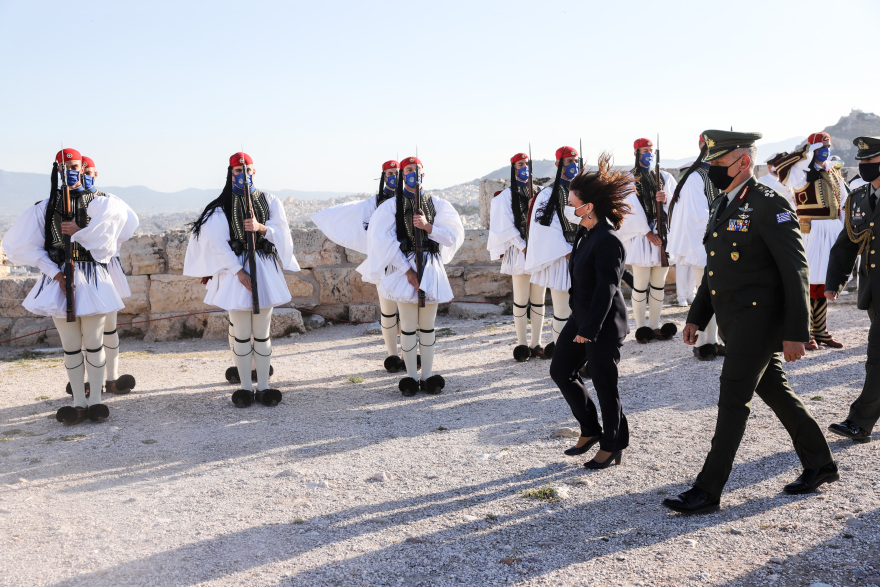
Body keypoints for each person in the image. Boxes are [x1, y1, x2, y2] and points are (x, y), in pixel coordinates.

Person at [662, 130, 838, 514]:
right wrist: (697, 317)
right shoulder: (723, 202)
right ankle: (821, 464)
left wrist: (797, 333)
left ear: (743, 162)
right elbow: (716, 269)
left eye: (718, 163)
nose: (712, 169)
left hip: (758, 323)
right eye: (710, 163)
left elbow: (795, 271)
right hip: (734, 321)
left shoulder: (768, 204)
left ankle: (707, 490)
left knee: (732, 402)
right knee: (778, 394)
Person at [3, 148, 131, 424]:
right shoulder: (44, 208)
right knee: (71, 346)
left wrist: (79, 233)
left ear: (83, 168)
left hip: (93, 279)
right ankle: (78, 403)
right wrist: (57, 275)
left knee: (94, 343)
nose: (71, 171)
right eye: (66, 167)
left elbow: (108, 242)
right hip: (59, 280)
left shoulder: (102, 203)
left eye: (75, 166)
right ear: (57, 169)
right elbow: (27, 247)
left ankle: (96, 401)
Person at [184, 152, 300, 407]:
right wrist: (238, 271)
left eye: (247, 170)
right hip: (234, 272)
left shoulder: (269, 200)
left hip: (264, 270)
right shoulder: (221, 207)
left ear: (254, 172)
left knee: (262, 333)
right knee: (242, 334)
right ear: (231, 173)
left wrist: (261, 228)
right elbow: (217, 244)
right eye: (238, 171)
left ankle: (264, 386)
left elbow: (282, 232)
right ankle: (246, 387)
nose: (243, 175)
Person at [549, 153, 631, 468]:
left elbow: (606, 289)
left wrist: (589, 329)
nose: (569, 206)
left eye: (573, 202)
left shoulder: (608, 240)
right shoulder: (586, 233)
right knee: (560, 370)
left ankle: (613, 444)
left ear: (589, 206)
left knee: (604, 383)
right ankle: (590, 428)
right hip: (581, 317)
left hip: (602, 324)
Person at [356, 156, 464, 396]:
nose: (414, 173)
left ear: (424, 173)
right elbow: (383, 242)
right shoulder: (389, 207)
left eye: (417, 169)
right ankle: (411, 377)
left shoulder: (438, 204)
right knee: (406, 325)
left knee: (427, 326)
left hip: (430, 267)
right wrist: (407, 271)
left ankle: (427, 376)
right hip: (402, 268)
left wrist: (428, 227)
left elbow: (451, 237)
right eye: (409, 169)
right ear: (403, 174)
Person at [312, 160, 407, 372]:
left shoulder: (410, 199)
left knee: (407, 311)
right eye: (389, 174)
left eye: (396, 173)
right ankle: (392, 355)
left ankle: (408, 354)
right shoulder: (373, 204)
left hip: (407, 260)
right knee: (388, 310)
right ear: (383, 176)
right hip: (384, 261)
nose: (393, 177)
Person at [824, 136, 880, 443]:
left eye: (871, 161)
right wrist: (834, 282)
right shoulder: (858, 197)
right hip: (873, 291)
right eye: (862, 161)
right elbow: (846, 244)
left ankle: (860, 422)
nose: (865, 166)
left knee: (877, 357)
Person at [775, 132, 846, 349]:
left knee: (825, 282)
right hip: (812, 231)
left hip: (832, 229)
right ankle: (804, 332)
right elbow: (782, 168)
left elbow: (843, 201)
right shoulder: (801, 173)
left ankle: (820, 330)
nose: (826, 151)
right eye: (821, 148)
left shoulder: (832, 172)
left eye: (828, 147)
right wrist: (806, 151)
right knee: (809, 282)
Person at [79, 156, 139, 396]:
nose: (85, 177)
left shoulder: (109, 201)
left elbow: (128, 226)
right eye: (82, 172)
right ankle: (90, 381)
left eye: (88, 173)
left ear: (96, 174)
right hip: (80, 268)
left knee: (109, 328)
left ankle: (112, 378)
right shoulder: (68, 203)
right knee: (87, 332)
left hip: (105, 266)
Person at [666, 137, 724, 360]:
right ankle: (701, 343)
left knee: (716, 294)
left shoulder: (720, 173)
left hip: (719, 242)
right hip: (703, 244)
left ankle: (713, 340)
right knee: (706, 294)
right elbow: (698, 216)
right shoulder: (695, 177)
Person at [618, 138, 678, 343]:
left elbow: (678, 204)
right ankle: (641, 327)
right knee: (640, 284)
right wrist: (646, 232)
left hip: (661, 233)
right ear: (636, 153)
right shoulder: (628, 179)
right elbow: (627, 209)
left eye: (651, 151)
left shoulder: (665, 177)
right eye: (645, 151)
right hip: (641, 236)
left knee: (659, 284)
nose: (649, 154)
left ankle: (654, 325)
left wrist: (666, 199)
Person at [523, 146, 580, 358]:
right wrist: (567, 251)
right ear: (558, 165)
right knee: (563, 310)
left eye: (575, 161)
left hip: (583, 254)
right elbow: (546, 227)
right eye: (569, 162)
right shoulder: (547, 195)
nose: (573, 165)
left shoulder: (584, 191)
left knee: (581, 310)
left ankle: (579, 354)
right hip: (562, 257)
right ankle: (563, 355)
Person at [487, 152, 541, 361]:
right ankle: (522, 344)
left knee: (538, 300)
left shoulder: (540, 192)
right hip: (519, 252)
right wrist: (523, 247)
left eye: (526, 164)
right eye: (520, 165)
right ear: (514, 168)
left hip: (538, 251)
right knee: (520, 299)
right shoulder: (506, 196)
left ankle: (536, 343)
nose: (524, 167)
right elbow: (507, 226)